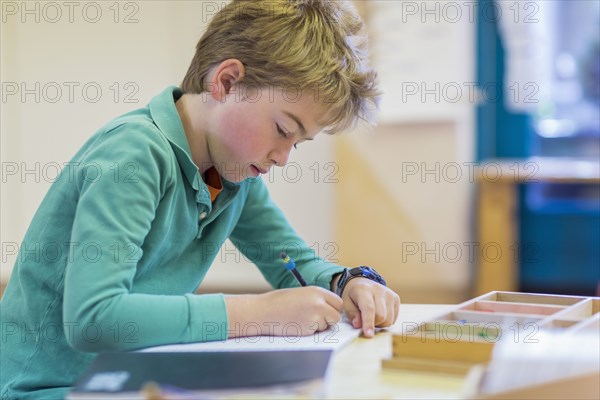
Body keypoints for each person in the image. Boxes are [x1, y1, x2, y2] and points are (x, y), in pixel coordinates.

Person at [0, 0, 400, 398]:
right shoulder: (134, 156)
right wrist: (258, 313)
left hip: (131, 376)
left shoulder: (233, 175)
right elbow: (94, 318)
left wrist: (346, 281)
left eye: (300, 142)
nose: (284, 157)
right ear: (226, 83)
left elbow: (292, 264)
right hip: (46, 388)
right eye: (282, 129)